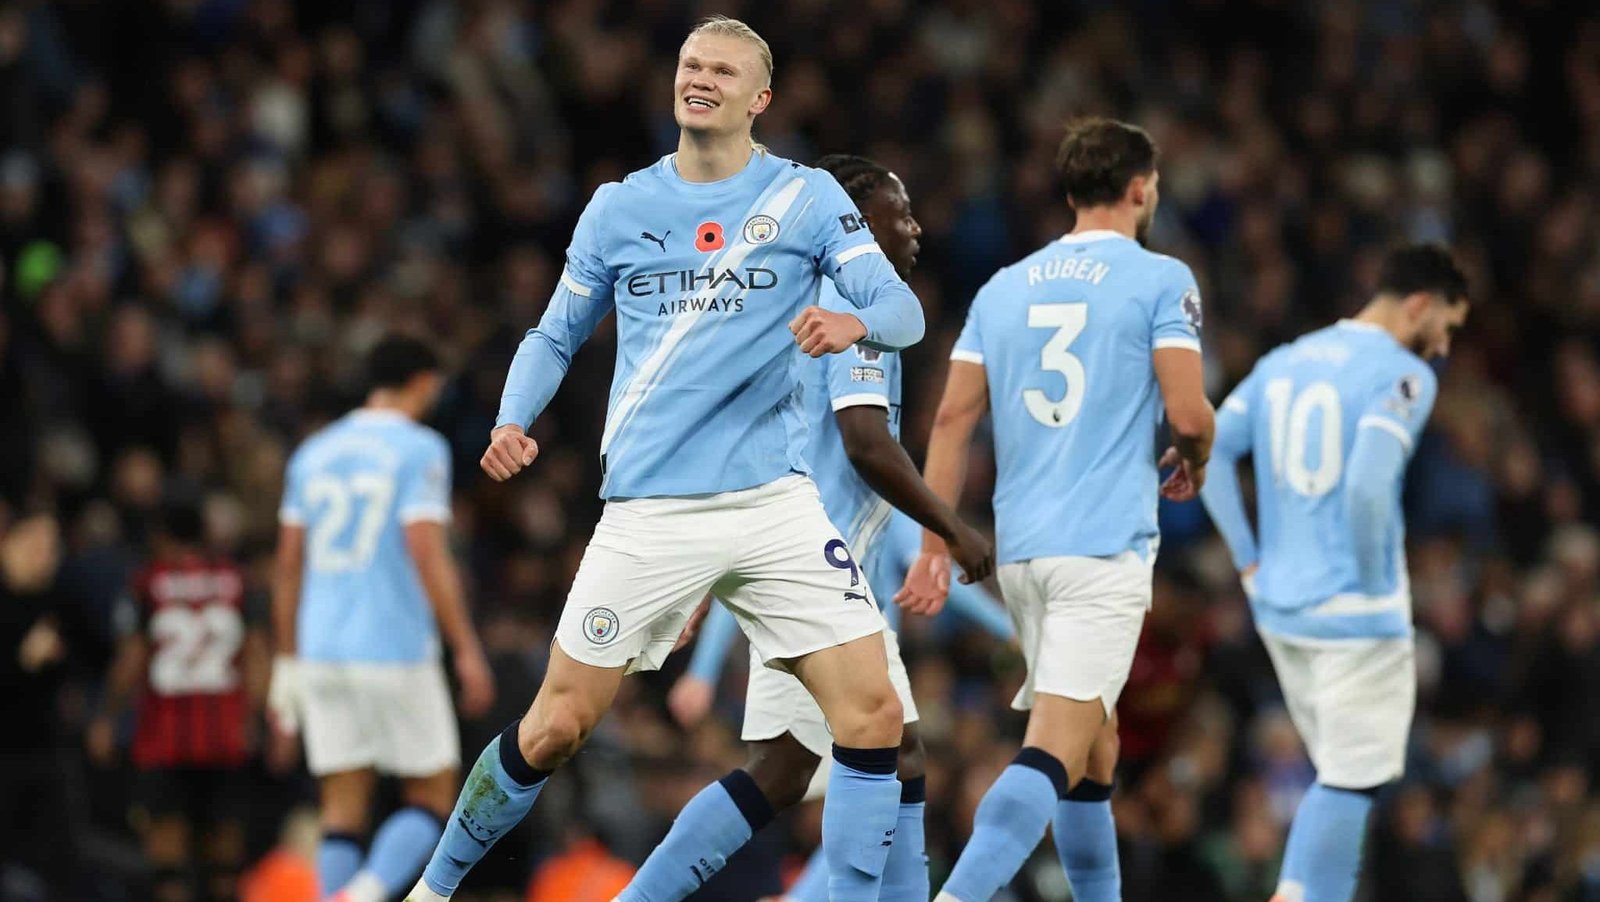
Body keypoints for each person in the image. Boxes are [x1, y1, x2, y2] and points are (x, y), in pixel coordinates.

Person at [408, 17, 927, 902]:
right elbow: (554, 333)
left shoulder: (805, 197)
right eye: (691, 64)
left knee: (874, 713)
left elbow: (901, 310)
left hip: (774, 504)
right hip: (651, 511)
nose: (701, 79)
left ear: (760, 98)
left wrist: (855, 319)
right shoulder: (620, 207)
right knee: (556, 726)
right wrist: (511, 419)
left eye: (723, 70)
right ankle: (432, 890)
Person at [617, 153, 992, 902]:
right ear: (857, 221)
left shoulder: (795, 297)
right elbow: (866, 442)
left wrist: (709, 571)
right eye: (900, 211)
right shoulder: (849, 302)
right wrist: (952, 528)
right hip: (815, 566)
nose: (915, 227)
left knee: (844, 762)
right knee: (839, 757)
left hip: (803, 559)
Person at [897, 116, 1215, 902]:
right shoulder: (1161, 277)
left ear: (1072, 192)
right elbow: (1189, 414)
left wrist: (934, 547)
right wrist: (1196, 457)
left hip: (1023, 556)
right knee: (1051, 752)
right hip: (1099, 554)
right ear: (1140, 189)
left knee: (1095, 749)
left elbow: (951, 418)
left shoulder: (1003, 287)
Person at [1200, 244, 1470, 902]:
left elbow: (1207, 453)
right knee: (1352, 781)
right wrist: (1374, 582)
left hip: (1280, 608)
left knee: (1337, 777)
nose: (1443, 347)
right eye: (1447, 327)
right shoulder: (1403, 374)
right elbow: (1369, 486)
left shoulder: (1283, 362)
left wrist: (1247, 559)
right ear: (1419, 305)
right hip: (1354, 615)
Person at [270, 335, 496, 902]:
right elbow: (425, 550)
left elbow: (288, 564)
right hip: (393, 645)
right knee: (433, 795)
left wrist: (286, 660)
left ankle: (339, 896)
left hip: (321, 648)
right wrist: (466, 648)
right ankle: (363, 896)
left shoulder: (312, 453)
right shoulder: (420, 449)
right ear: (422, 381)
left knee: (341, 807)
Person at [88, 496, 268, 901]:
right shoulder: (237, 580)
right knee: (225, 866)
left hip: (164, 738)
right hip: (225, 737)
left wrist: (106, 715)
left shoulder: (147, 581)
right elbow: (257, 653)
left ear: (161, 532)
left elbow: (133, 656)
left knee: (168, 868)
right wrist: (259, 719)